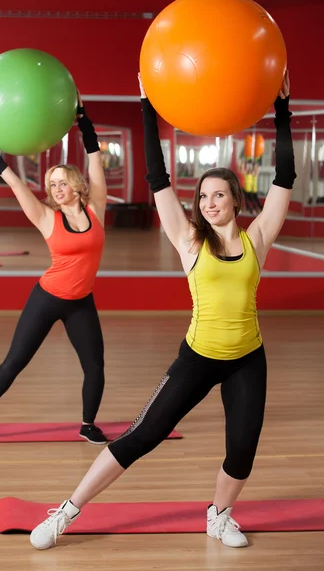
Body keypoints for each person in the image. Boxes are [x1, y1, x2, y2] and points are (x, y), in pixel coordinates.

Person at [29, 70, 295, 551]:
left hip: (247, 359)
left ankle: (219, 515)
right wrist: (147, 105)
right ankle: (66, 513)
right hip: (196, 358)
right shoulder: (189, 239)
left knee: (243, 448)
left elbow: (285, 177)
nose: (209, 202)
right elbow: (158, 176)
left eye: (219, 194)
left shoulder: (258, 237)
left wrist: (281, 109)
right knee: (141, 436)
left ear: (236, 198)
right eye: (203, 196)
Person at [0, 93, 109, 446]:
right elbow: (11, 179)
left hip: (81, 301)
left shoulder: (96, 208)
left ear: (76, 184)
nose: (56, 188)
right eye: (52, 184)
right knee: (14, 363)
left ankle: (88, 425)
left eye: (62, 181)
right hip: (47, 298)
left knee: (95, 367)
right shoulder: (44, 216)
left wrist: (83, 120)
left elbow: (95, 158)